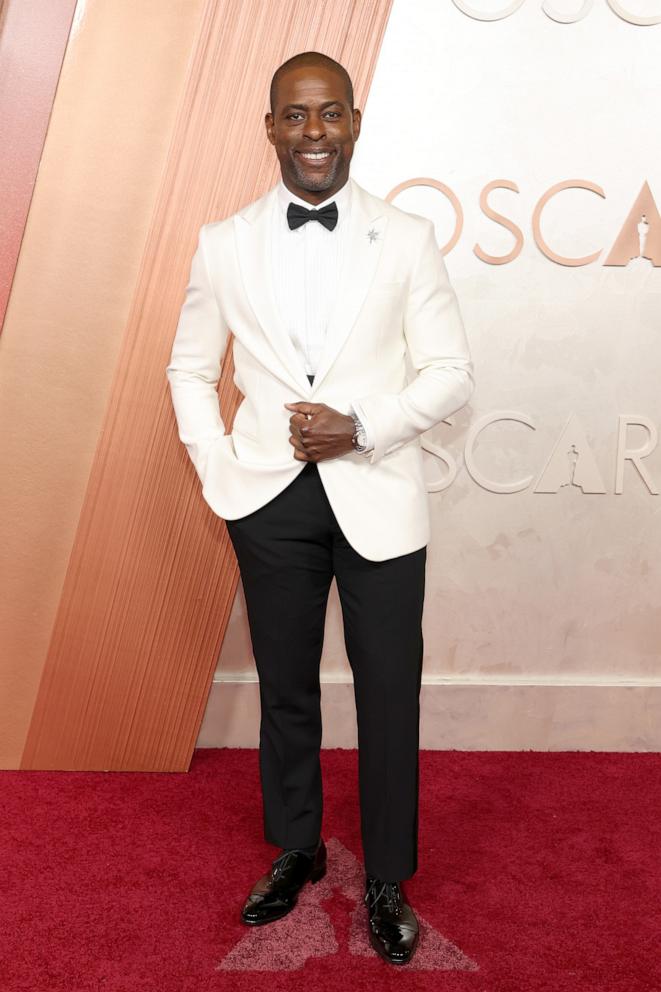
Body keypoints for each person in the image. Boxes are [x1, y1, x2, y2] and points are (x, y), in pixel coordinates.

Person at [166, 50, 475, 966]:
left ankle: (387, 875)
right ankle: (296, 847)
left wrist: (362, 426)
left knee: (388, 692)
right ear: (270, 127)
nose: (314, 133)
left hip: (377, 492)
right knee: (286, 690)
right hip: (266, 500)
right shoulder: (222, 242)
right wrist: (220, 462)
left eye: (330, 114)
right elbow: (188, 369)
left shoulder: (407, 236)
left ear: (353, 122)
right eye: (296, 117)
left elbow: (450, 374)